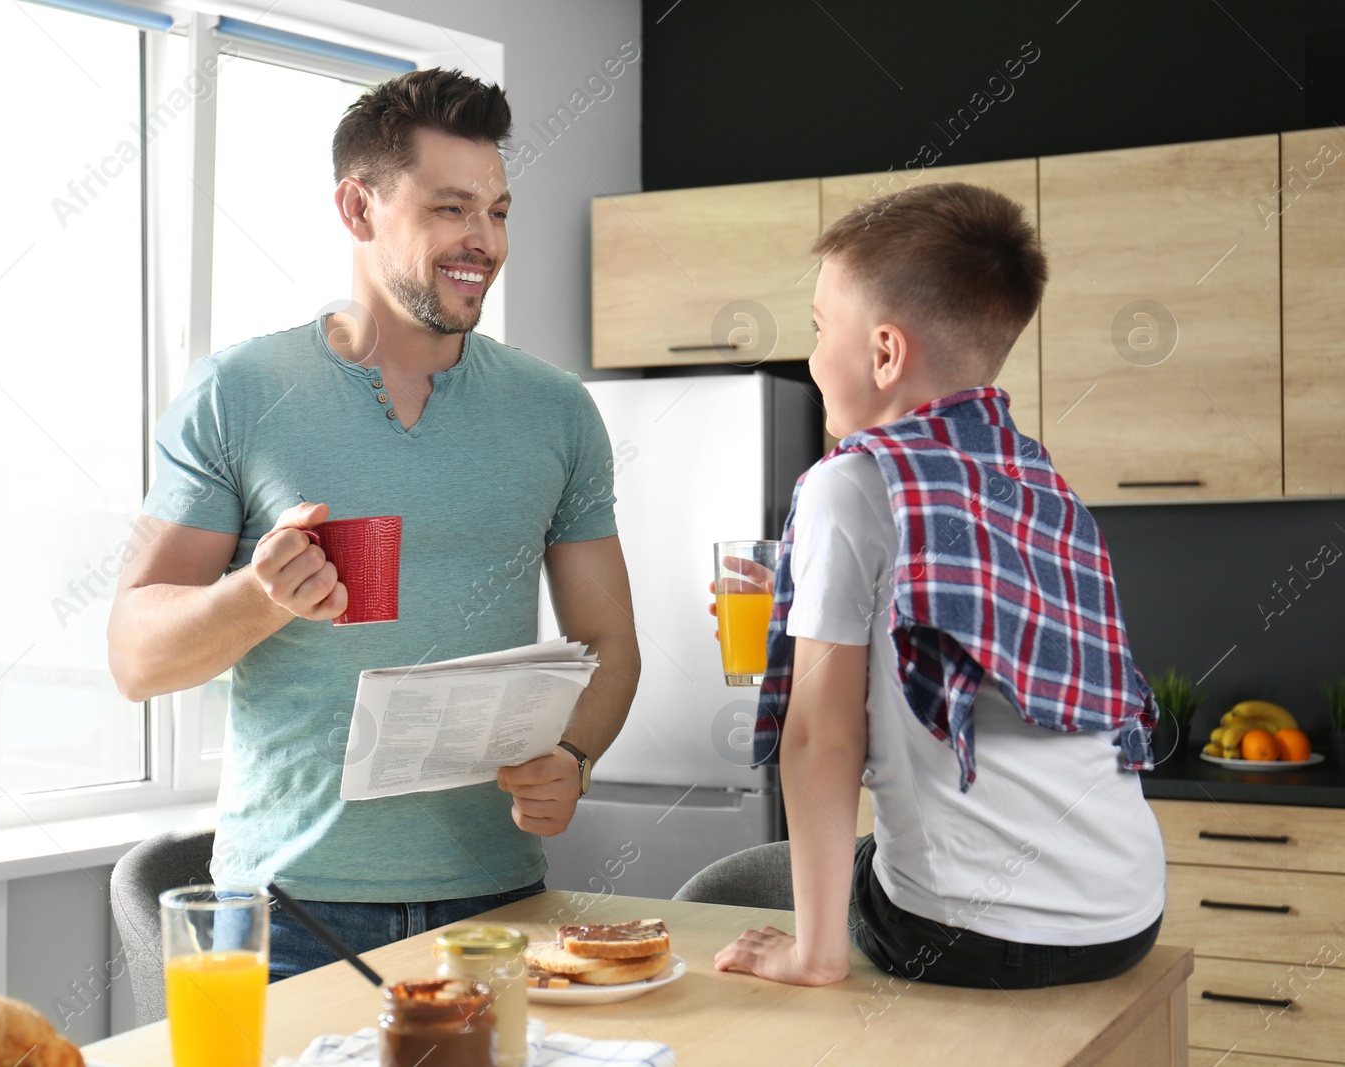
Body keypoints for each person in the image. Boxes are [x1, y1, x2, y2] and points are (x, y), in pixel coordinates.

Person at [107, 67, 639, 980]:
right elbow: (135, 657)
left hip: (497, 903)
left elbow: (609, 640)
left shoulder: (556, 412)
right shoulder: (238, 394)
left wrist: (576, 753)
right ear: (359, 209)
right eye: (451, 208)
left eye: (499, 211)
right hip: (288, 913)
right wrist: (258, 595)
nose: (484, 240)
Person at [713, 182, 1165, 990]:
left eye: (821, 331)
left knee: (731, 883)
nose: (813, 359)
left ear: (884, 353)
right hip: (1127, 917)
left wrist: (814, 955)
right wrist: (801, 582)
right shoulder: (1034, 477)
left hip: (961, 933)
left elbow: (821, 738)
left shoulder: (848, 483)